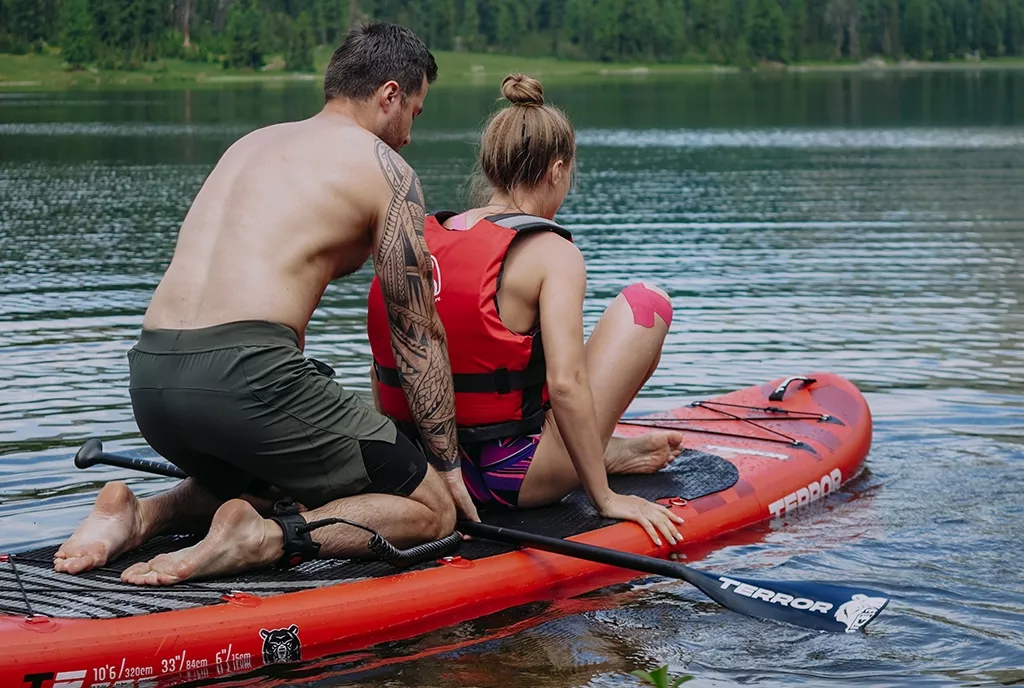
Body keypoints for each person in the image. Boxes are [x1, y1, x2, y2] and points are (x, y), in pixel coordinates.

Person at [54, 22, 479, 587]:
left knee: (280, 474)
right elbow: (415, 331)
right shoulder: (387, 171)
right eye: (415, 114)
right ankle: (264, 537)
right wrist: (445, 466)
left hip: (152, 381)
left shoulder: (251, 144)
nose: (408, 135)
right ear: (390, 95)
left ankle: (141, 514)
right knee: (430, 511)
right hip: (242, 378)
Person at [367, 74, 685, 547]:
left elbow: (385, 366)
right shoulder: (551, 252)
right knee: (647, 304)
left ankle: (603, 451)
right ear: (557, 169)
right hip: (511, 480)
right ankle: (592, 464)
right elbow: (565, 383)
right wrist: (605, 500)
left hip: (425, 470)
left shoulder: (421, 236)